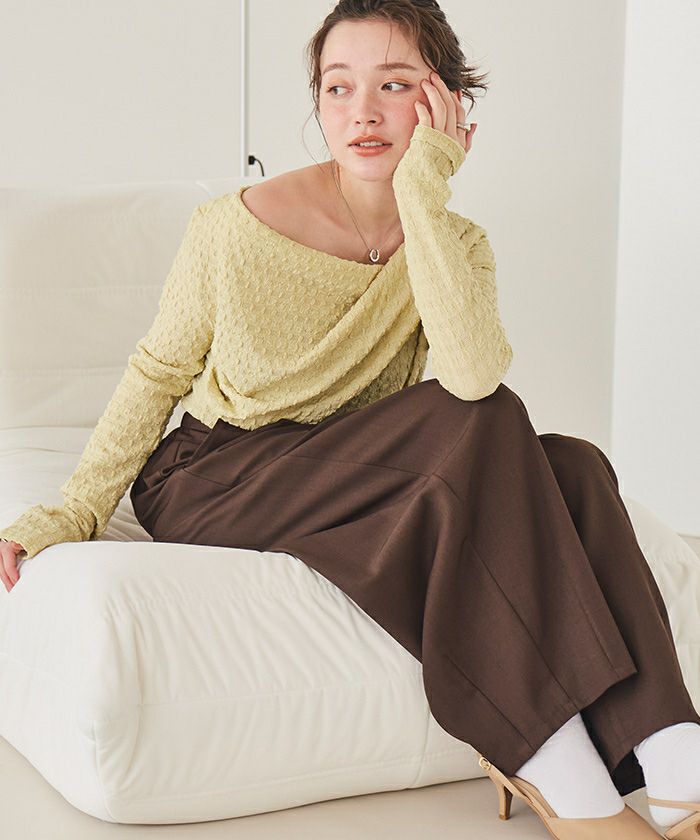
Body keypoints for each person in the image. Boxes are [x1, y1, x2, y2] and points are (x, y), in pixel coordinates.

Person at [2, 2, 699, 836]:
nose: (362, 112)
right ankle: (551, 755)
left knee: (575, 465)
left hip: (352, 466)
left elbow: (471, 367)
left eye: (394, 85)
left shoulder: (453, 242)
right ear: (319, 103)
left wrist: (421, 197)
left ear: (445, 106)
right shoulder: (233, 228)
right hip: (217, 475)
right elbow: (157, 374)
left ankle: (674, 752)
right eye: (338, 88)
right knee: (485, 421)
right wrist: (72, 511)